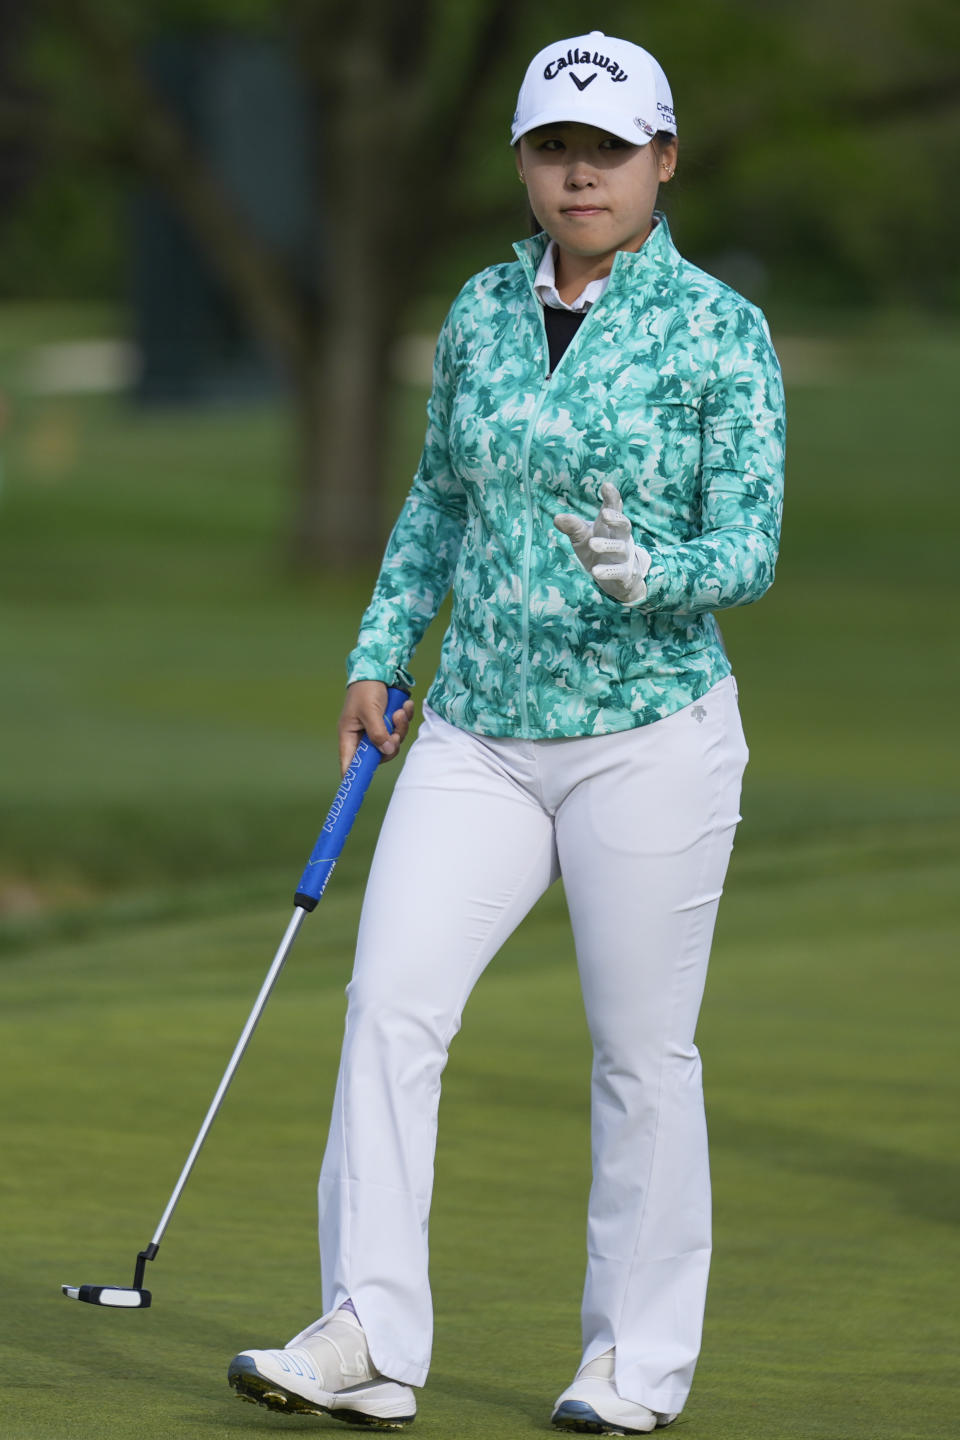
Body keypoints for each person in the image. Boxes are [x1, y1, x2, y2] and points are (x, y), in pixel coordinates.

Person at [228, 29, 785, 1436]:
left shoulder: (721, 329)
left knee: (639, 1054)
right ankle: (369, 1333)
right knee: (389, 1007)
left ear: (663, 159)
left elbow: (756, 543)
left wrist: (655, 572)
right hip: (476, 731)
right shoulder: (481, 310)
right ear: (525, 164)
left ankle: (632, 1366)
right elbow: (436, 504)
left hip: (647, 736)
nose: (578, 172)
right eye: (554, 148)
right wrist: (375, 656)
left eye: (607, 151)